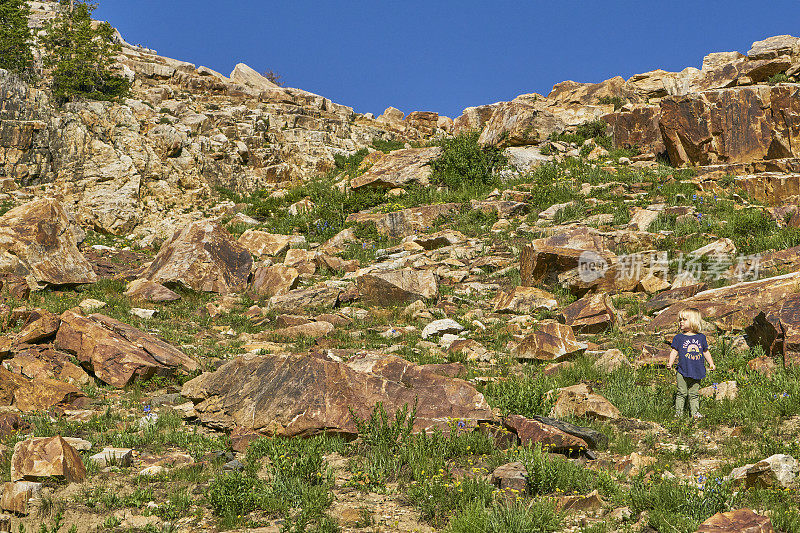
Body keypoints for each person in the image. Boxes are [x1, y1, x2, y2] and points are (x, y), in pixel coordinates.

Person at [667, 307, 715, 419]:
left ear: (693, 321)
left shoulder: (701, 337)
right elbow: (674, 351)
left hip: (697, 369)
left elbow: (705, 351)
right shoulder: (678, 338)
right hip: (682, 370)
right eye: (680, 320)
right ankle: (678, 413)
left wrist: (711, 363)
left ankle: (695, 413)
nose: (681, 322)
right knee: (681, 392)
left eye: (684, 319)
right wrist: (670, 362)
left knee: (694, 393)